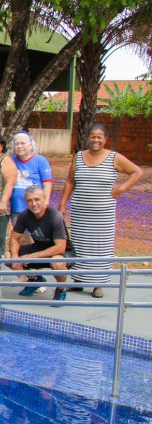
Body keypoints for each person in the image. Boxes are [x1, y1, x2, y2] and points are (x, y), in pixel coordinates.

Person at [59, 123, 143, 298]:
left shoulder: (114, 157)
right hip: (80, 211)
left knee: (100, 247)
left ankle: (98, 284)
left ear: (105, 139)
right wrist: (62, 204)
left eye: (99, 137)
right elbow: (70, 181)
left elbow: (137, 172)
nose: (95, 140)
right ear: (87, 138)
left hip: (102, 213)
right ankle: (79, 280)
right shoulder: (79, 156)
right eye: (92, 136)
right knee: (80, 245)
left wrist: (121, 189)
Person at [10, 185, 77, 301]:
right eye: (29, 201)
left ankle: (61, 289)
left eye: (37, 199)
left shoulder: (55, 216)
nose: (34, 203)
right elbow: (14, 238)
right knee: (8, 257)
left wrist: (30, 257)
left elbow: (60, 248)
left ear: (44, 199)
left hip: (63, 252)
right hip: (40, 248)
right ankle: (34, 280)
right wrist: (16, 258)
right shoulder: (24, 215)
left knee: (57, 262)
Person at [10, 132, 52, 220]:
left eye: (23, 143)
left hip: (36, 209)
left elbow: (47, 184)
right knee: (20, 233)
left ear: (30, 145)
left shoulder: (40, 160)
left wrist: (46, 202)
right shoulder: (10, 161)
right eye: (17, 144)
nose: (19, 146)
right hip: (16, 209)